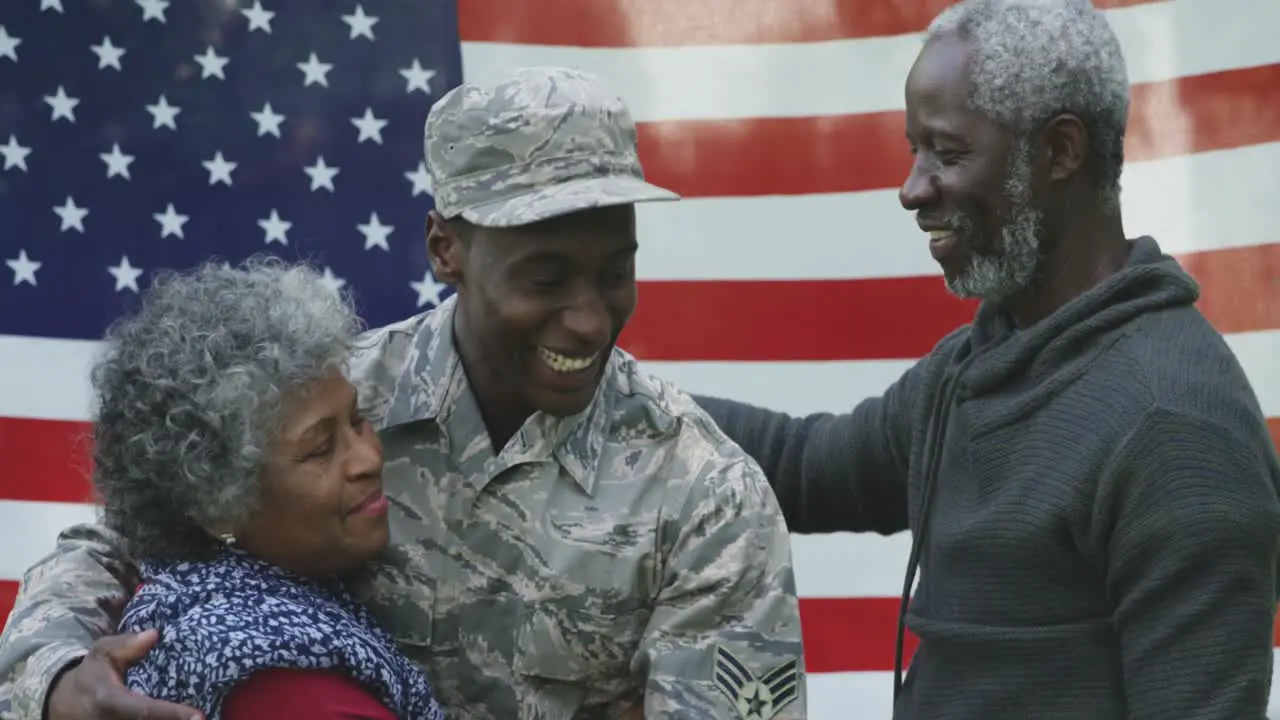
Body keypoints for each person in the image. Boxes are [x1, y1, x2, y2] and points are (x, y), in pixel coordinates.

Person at [0, 65, 807, 720]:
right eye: (545, 278)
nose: (591, 320)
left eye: (614, 272)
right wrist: (59, 676)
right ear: (445, 249)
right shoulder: (328, 404)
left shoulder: (706, 500)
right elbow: (111, 547)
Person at [689, 1, 1280, 719]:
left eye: (947, 152)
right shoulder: (981, 361)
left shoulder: (1174, 430)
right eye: (915, 150)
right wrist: (616, 402)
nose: (911, 189)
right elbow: (813, 466)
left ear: (1061, 151)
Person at [81, 258, 447, 719]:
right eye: (319, 450)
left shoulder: (203, 603)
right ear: (218, 506)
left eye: (357, 420)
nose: (369, 459)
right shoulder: (288, 687)